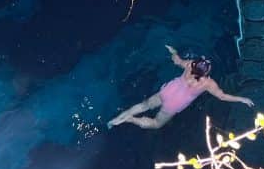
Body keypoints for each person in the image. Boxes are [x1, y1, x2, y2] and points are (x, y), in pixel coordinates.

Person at [108, 46, 253, 130]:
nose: (207, 61)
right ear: (206, 73)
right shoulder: (208, 83)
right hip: (175, 104)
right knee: (156, 124)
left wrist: (173, 51)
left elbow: (176, 60)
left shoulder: (189, 65)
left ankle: (117, 119)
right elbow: (222, 96)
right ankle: (130, 120)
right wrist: (242, 99)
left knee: (143, 105)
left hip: (168, 91)